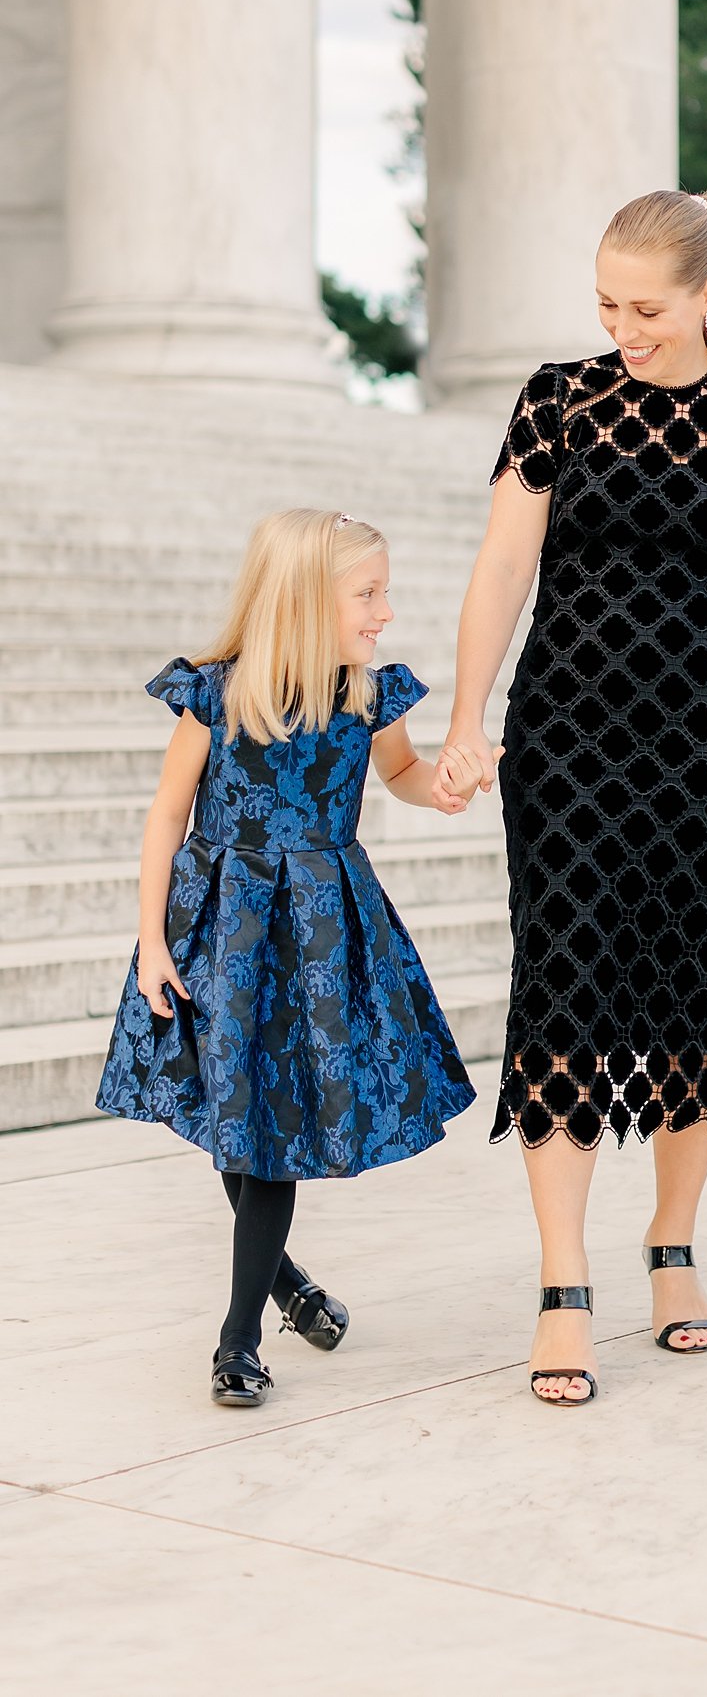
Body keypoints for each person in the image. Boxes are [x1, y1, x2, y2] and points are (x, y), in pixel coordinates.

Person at [438, 191, 707, 1407]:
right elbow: (503, 565)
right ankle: (562, 1283)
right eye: (607, 303)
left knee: (694, 988)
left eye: (645, 307)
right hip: (568, 743)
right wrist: (465, 718)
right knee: (566, 984)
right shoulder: (560, 398)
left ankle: (672, 1244)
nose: (623, 326)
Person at [95, 509, 479, 1407]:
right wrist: (152, 940)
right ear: (308, 599)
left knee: (265, 1133)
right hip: (220, 926)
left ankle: (240, 1339)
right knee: (237, 1115)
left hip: (319, 933)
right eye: (368, 593)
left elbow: (404, 775)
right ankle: (285, 1291)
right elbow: (166, 813)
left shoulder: (368, 698)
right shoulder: (219, 694)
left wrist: (447, 785)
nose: (385, 612)